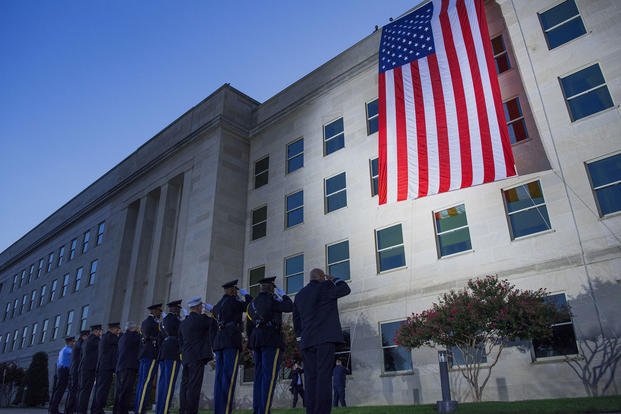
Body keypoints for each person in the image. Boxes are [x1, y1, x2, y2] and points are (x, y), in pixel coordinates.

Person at [293, 268, 351, 414]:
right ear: (321, 277)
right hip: (324, 340)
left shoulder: (299, 295)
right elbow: (345, 289)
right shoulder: (326, 286)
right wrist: (334, 279)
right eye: (324, 276)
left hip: (306, 342)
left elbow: (296, 320)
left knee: (310, 379)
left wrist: (300, 339)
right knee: (323, 378)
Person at [247, 276, 293, 414]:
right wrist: (284, 295)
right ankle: (265, 410)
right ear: (271, 287)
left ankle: (257, 410)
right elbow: (289, 306)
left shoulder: (252, 304)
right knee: (269, 376)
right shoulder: (273, 300)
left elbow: (248, 328)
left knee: (258, 377)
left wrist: (251, 343)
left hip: (256, 341)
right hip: (271, 340)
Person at [212, 279, 252, 414]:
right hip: (231, 340)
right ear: (231, 290)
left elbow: (213, 314)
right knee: (229, 376)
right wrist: (246, 295)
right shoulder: (234, 301)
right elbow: (250, 306)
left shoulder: (217, 305)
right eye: (235, 289)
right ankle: (226, 410)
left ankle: (219, 410)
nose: (236, 292)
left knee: (219, 378)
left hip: (219, 342)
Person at [179, 296, 216, 414]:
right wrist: (213, 311)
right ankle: (191, 411)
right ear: (198, 307)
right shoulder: (202, 319)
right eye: (201, 306)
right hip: (197, 357)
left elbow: (180, 341)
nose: (201, 308)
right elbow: (214, 323)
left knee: (185, 385)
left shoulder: (183, 323)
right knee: (194, 386)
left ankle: (183, 410)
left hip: (186, 357)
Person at [135, 303, 163, 414]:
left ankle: (138, 407)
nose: (160, 313)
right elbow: (154, 338)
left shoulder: (145, 322)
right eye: (159, 311)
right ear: (154, 311)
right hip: (151, 355)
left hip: (144, 355)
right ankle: (141, 409)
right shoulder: (153, 323)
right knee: (146, 382)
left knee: (142, 382)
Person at [156, 300, 183, 414]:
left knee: (163, 383)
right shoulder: (175, 320)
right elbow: (182, 332)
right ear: (175, 309)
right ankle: (165, 409)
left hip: (163, 352)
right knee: (169, 382)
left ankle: (160, 409)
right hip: (173, 352)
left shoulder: (164, 320)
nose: (179, 311)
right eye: (178, 309)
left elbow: (159, 338)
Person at [92, 322, 121, 414]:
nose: (118, 331)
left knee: (99, 389)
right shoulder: (110, 337)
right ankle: (98, 409)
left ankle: (95, 409)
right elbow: (119, 340)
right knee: (102, 389)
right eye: (117, 329)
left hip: (103, 367)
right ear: (111, 329)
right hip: (106, 368)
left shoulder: (105, 337)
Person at [114, 322, 141, 414]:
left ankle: (117, 410)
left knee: (120, 390)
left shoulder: (122, 337)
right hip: (128, 367)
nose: (138, 329)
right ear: (132, 329)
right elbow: (140, 339)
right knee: (126, 390)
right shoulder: (133, 336)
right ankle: (122, 411)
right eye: (136, 328)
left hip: (120, 367)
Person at [77, 324, 103, 414]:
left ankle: (80, 410)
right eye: (99, 331)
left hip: (84, 368)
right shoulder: (94, 340)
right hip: (89, 369)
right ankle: (81, 411)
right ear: (96, 331)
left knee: (83, 390)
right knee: (86, 391)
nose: (100, 333)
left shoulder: (87, 340)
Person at [49, 336, 75, 414]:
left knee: (58, 390)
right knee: (60, 391)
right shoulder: (68, 350)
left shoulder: (62, 350)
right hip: (64, 371)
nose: (74, 343)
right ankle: (54, 409)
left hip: (60, 370)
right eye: (73, 342)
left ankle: (53, 408)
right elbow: (74, 353)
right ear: (69, 342)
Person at [65, 330, 89, 414]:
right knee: (73, 390)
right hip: (75, 370)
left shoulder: (78, 343)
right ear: (84, 336)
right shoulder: (80, 343)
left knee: (74, 390)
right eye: (87, 336)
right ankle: (69, 410)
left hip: (74, 369)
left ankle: (70, 409)